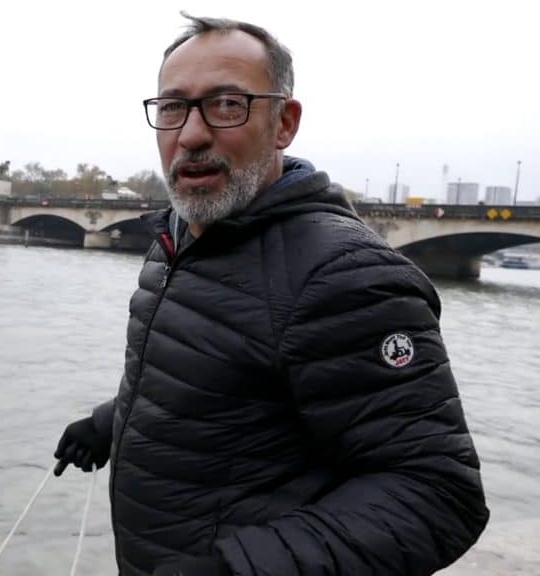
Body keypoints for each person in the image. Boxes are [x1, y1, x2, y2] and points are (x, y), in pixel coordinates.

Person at [52, 15, 489, 576]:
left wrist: (238, 570)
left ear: (284, 123)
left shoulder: (345, 274)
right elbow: (209, 378)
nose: (190, 134)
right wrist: (108, 423)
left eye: (227, 104)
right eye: (172, 107)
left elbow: (437, 494)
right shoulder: (178, 238)